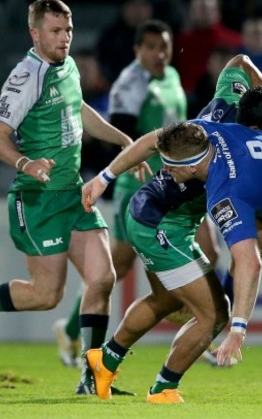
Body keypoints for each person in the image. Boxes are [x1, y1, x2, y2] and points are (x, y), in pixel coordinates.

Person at [80, 55, 262, 403]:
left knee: (164, 301)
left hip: (160, 217)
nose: (167, 171)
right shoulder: (225, 189)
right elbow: (249, 259)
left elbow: (241, 61)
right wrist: (238, 327)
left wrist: (104, 179)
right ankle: (163, 389)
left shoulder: (224, 114)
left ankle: (104, 363)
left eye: (170, 168)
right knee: (214, 314)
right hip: (157, 225)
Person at [0, 0, 136, 395]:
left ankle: (93, 379)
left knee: (103, 278)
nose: (65, 38)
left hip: (73, 193)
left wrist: (123, 139)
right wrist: (26, 164)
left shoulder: (68, 66)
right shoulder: (26, 76)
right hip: (36, 199)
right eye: (55, 31)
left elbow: (78, 110)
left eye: (68, 30)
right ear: (34, 33)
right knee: (46, 295)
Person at [52, 19, 188, 367]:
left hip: (173, 186)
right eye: (153, 47)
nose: (160, 54)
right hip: (138, 190)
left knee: (206, 249)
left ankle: (202, 327)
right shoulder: (129, 84)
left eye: (165, 47)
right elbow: (123, 136)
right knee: (117, 267)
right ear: (137, 50)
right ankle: (73, 332)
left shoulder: (171, 77)